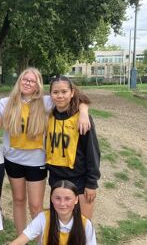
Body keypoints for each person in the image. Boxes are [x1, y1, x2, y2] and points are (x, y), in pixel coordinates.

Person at [0, 67, 90, 235]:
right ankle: (22, 238)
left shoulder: (46, 101)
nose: (27, 83)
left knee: (35, 205)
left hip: (37, 162)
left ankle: (40, 238)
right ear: (19, 81)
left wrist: (84, 113)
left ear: (38, 85)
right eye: (24, 79)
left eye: (32, 81)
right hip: (13, 160)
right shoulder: (8, 102)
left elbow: (79, 98)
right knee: (19, 200)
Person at [46, 76, 100, 219]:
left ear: (72, 93)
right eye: (55, 92)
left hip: (80, 180)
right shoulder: (48, 116)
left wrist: (91, 183)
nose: (60, 96)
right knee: (59, 225)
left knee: (83, 225)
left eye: (64, 91)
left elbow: (92, 152)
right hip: (56, 178)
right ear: (50, 94)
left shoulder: (82, 120)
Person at [9, 180, 97, 245]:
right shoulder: (43, 218)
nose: (62, 204)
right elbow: (21, 240)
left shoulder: (86, 225)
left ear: (76, 199)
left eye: (67, 198)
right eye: (58, 198)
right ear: (51, 199)